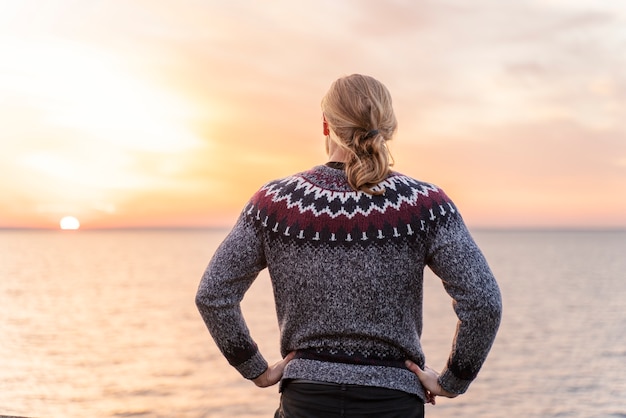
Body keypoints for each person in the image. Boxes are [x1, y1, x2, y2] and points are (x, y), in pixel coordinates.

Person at [196, 74, 502, 417]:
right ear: (388, 127)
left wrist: (256, 368)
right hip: (393, 403)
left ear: (326, 125)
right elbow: (483, 301)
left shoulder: (274, 204)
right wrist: (452, 381)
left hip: (306, 401)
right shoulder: (426, 205)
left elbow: (213, 295)